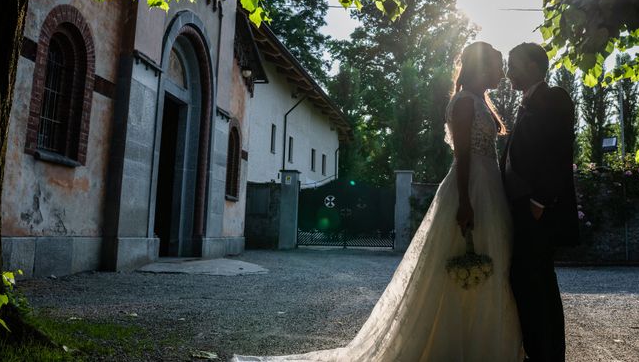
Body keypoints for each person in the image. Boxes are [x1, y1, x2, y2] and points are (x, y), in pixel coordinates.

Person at [233, 41, 524, 361]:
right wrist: (465, 202)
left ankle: (480, 342)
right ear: (481, 67)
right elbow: (463, 156)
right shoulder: (465, 103)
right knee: (462, 263)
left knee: (490, 265)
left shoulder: (481, 101)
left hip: (488, 188)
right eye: (497, 65)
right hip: (471, 188)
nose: (502, 72)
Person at [501, 42, 579, 362]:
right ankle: (543, 354)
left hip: (536, 210)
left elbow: (558, 153)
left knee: (535, 286)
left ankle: (545, 355)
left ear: (534, 66)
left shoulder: (555, 98)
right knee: (533, 283)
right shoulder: (526, 102)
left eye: (513, 65)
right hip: (520, 208)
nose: (508, 72)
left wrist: (539, 202)